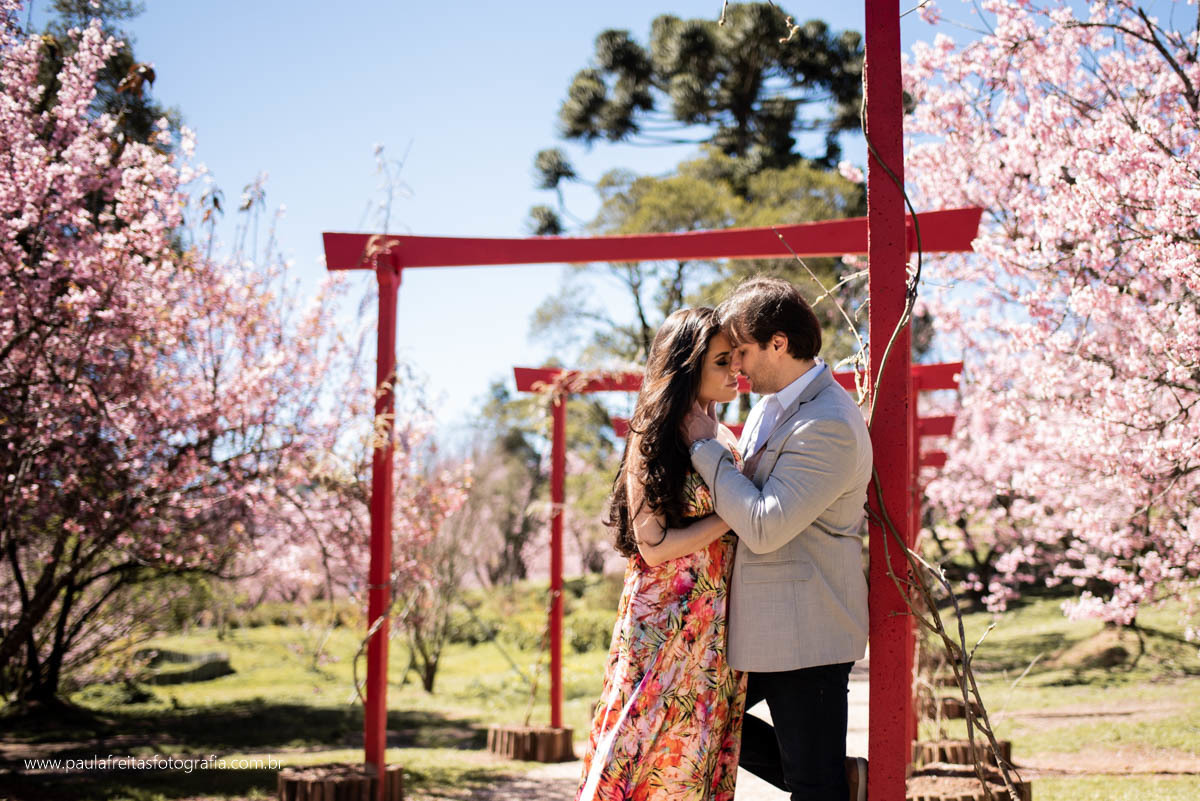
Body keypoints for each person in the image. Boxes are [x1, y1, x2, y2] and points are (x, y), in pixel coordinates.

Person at [683, 276, 872, 801]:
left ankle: (837, 782)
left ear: (779, 343)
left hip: (806, 628)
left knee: (811, 786)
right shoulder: (770, 405)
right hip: (766, 626)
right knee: (701, 713)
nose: (735, 365)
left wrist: (704, 449)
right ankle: (844, 781)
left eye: (740, 351)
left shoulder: (828, 422)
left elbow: (765, 524)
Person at [577, 307, 747, 801]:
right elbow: (653, 546)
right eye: (721, 360)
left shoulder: (728, 438)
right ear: (688, 367)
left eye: (735, 357)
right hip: (662, 621)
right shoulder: (652, 437)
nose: (734, 368)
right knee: (642, 741)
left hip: (713, 625)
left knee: (697, 748)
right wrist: (734, 515)